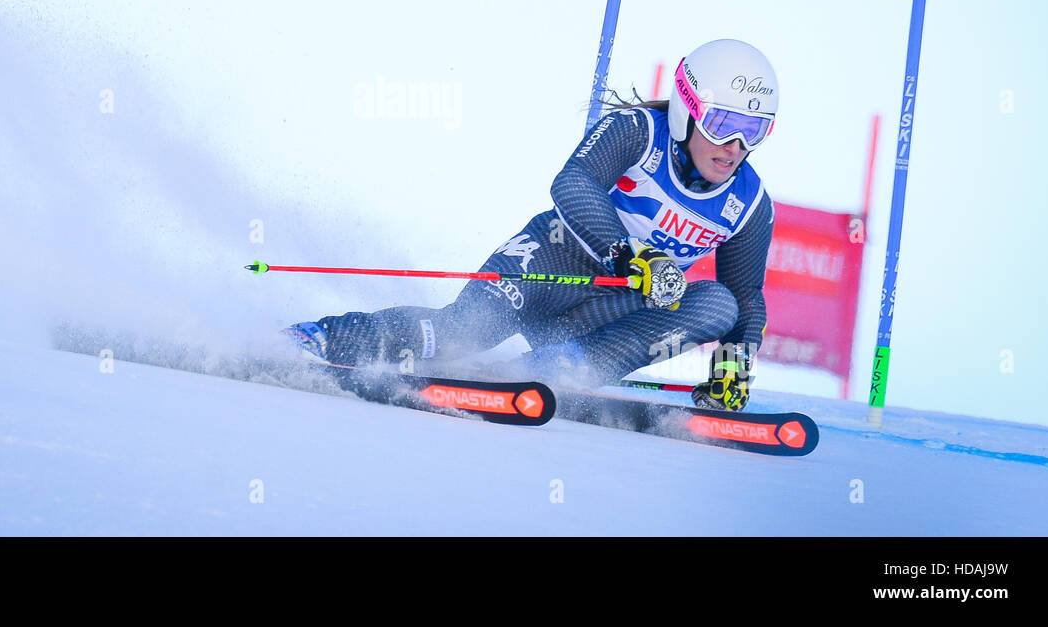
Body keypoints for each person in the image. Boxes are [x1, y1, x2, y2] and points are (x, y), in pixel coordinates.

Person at [285, 38, 778, 411]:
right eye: (722, 124)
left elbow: (746, 297)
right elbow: (572, 182)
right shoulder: (637, 133)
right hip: (550, 265)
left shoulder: (749, 203)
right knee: (460, 334)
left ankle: (557, 370)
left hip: (608, 315)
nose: (734, 145)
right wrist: (631, 254)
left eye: (753, 129)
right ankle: (325, 337)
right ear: (687, 111)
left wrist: (735, 362)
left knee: (719, 302)